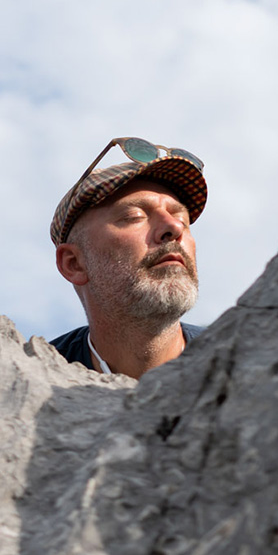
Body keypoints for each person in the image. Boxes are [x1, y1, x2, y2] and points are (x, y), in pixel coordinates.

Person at [49, 137, 208, 379]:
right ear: (74, 263)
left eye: (182, 219)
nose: (174, 227)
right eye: (134, 216)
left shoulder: (254, 362)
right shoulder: (26, 380)